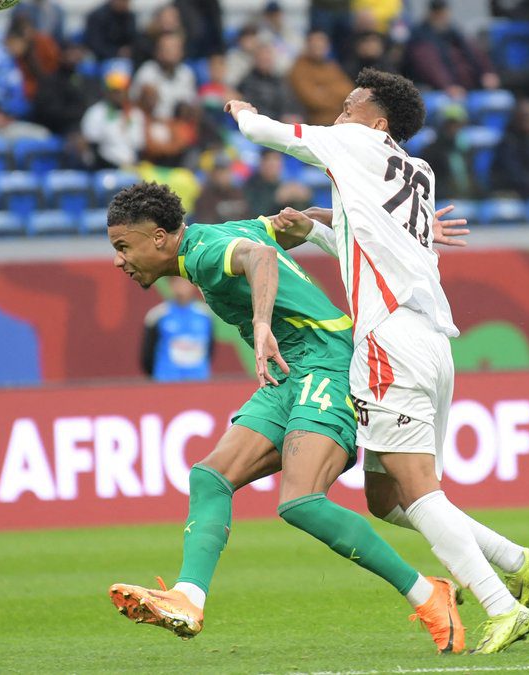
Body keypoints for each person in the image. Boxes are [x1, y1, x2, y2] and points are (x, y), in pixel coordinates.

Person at [226, 68, 529, 655]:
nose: (339, 114)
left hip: (389, 342)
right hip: (431, 343)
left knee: (420, 492)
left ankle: (502, 607)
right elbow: (370, 241)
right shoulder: (418, 172)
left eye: (350, 106)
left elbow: (265, 134)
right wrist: (316, 227)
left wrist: (240, 110)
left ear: (377, 123)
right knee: (386, 498)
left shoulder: (353, 143)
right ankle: (517, 560)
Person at [103, 181, 464, 651]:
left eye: (123, 246)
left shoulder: (205, 253)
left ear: (158, 238)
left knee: (301, 501)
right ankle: (188, 597)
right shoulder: (220, 234)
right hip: (290, 371)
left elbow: (262, 257)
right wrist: (404, 231)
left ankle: (428, 594)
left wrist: (260, 324)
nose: (118, 260)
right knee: (210, 478)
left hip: (328, 362)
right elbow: (302, 219)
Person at [404, 0, 499, 98]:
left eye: (443, 13)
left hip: (469, 89)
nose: (442, 17)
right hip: (438, 91)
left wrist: (487, 72)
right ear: (430, 14)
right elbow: (430, 66)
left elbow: (475, 53)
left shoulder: (454, 32)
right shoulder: (420, 37)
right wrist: (447, 86)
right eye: (438, 13)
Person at [141, 276, 215, 381]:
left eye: (185, 281)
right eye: (176, 281)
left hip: (198, 381)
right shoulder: (157, 315)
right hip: (166, 381)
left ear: (193, 284)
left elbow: (210, 349)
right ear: (170, 285)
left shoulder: (205, 315)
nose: (181, 286)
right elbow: (147, 355)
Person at [288, 30, 354, 127]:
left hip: (340, 121)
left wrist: (324, 91)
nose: (318, 48)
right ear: (307, 46)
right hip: (314, 122)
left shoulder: (332, 66)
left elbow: (348, 92)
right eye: (315, 45)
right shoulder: (299, 68)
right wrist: (337, 99)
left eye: (322, 45)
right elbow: (312, 100)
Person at [81, 71, 144, 169]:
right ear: (107, 92)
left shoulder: (135, 114)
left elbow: (138, 147)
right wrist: (116, 166)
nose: (119, 95)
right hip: (105, 168)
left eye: (122, 91)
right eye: (115, 91)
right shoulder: (96, 113)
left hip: (131, 167)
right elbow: (92, 148)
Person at [419, 104, 479, 200]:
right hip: (442, 198)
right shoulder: (430, 151)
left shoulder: (467, 149)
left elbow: (472, 176)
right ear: (442, 126)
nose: (454, 129)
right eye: (450, 125)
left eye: (458, 125)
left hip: (467, 197)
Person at [131, 32, 196, 120]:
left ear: (182, 52)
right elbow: (135, 102)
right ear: (157, 51)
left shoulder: (186, 74)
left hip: (178, 123)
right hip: (151, 121)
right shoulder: (147, 71)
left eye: (174, 48)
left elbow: (190, 103)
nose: (170, 52)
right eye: (166, 48)